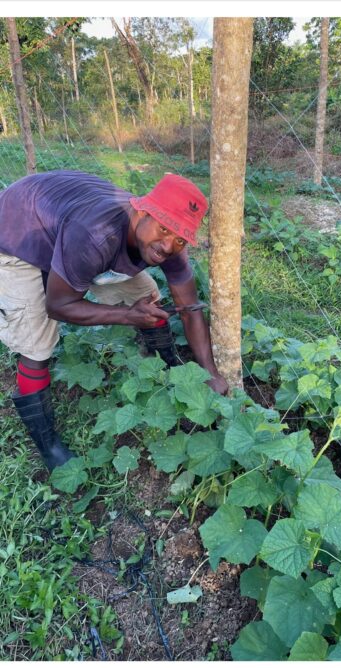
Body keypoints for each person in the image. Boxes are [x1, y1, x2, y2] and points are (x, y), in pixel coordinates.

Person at [0, 170, 229, 471]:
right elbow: (58, 306)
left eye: (181, 239)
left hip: (67, 227)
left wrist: (209, 371)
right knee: (37, 345)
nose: (168, 246)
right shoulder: (97, 234)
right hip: (18, 232)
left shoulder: (167, 242)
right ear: (143, 211)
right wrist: (126, 315)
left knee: (148, 297)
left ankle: (167, 368)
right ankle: (49, 446)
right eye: (164, 230)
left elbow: (189, 306)